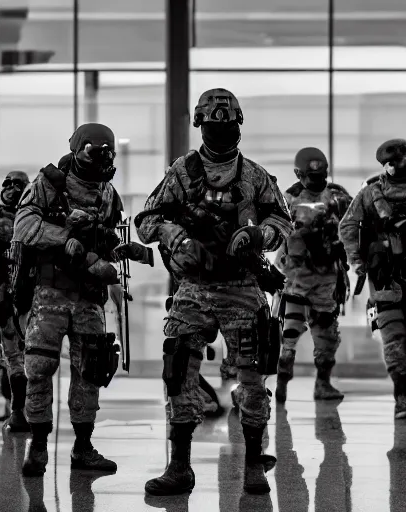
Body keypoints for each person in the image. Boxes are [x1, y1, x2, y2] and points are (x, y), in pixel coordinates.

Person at [137, 88, 292, 496]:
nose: (221, 132)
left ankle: (254, 464)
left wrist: (261, 233)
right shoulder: (182, 173)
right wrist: (174, 235)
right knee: (178, 372)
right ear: (200, 126)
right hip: (195, 287)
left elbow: (282, 220)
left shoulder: (256, 176)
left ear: (238, 125)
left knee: (253, 377)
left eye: (227, 126)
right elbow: (147, 219)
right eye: (213, 125)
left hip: (242, 287)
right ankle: (179, 465)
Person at [12, 123, 150, 476]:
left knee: (90, 371)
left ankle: (83, 447)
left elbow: (107, 237)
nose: (102, 159)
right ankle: (38, 444)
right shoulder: (48, 185)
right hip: (50, 293)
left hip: (89, 297)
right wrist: (65, 241)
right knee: (39, 369)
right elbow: (24, 227)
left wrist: (121, 257)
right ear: (78, 149)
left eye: (107, 153)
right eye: (95, 152)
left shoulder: (108, 192)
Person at [339, 139, 406, 421]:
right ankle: (402, 399)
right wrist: (358, 262)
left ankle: (405, 389)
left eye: (405, 160)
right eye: (394, 162)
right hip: (385, 278)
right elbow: (347, 226)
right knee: (394, 337)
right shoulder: (371, 193)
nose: (401, 165)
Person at [273, 147, 352, 403]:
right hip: (298, 277)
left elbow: (354, 223)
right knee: (292, 334)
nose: (317, 180)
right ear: (299, 173)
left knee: (323, 334)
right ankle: (286, 383)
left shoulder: (334, 196)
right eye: (312, 175)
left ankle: (321, 383)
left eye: (321, 174)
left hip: (322, 277)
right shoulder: (290, 198)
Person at [0, 171, 30, 432]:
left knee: (17, 359)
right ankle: (14, 411)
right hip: (0, 299)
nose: (11, 188)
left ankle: (17, 412)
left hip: (19, 302)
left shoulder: (30, 221)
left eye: (18, 184)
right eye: (8, 183)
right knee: (11, 359)